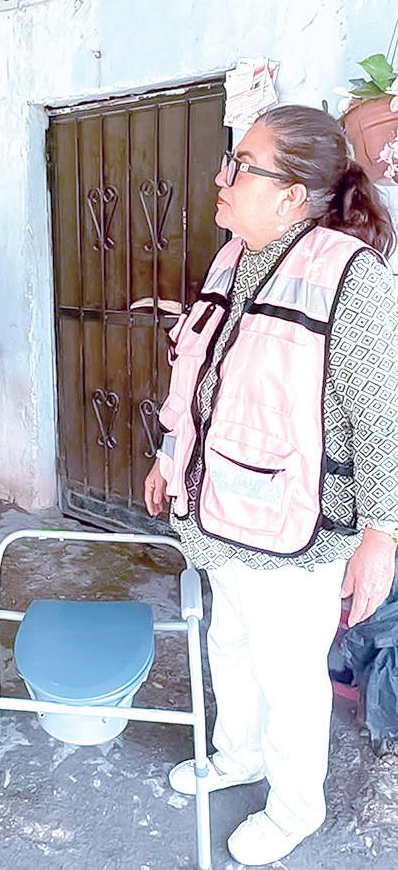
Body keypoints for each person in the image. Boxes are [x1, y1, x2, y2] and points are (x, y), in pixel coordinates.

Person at [144, 105, 398, 866]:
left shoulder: (352, 277)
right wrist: (168, 459)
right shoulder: (233, 258)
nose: (222, 178)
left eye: (242, 166)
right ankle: (239, 754)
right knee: (230, 641)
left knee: (290, 674)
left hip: (297, 528)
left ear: (291, 196)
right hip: (223, 516)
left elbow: (383, 416)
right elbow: (201, 376)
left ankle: (294, 811)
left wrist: (382, 536)